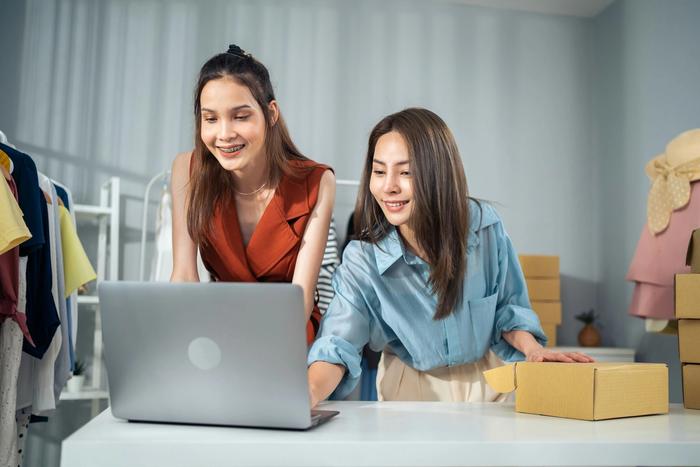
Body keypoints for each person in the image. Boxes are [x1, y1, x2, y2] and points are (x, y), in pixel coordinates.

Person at [307, 108, 592, 405]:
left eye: (406, 172)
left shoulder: (484, 227)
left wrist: (533, 350)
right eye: (379, 171)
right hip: (410, 391)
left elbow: (508, 309)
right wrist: (309, 392)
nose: (388, 186)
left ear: (438, 173)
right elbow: (338, 344)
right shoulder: (363, 259)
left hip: (490, 383)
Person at [170, 45, 335, 344]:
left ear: (270, 113)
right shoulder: (187, 170)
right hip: (217, 332)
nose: (224, 134)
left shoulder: (316, 182)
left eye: (240, 116)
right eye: (210, 118)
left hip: (286, 337)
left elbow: (301, 300)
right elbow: (183, 277)